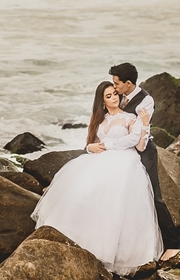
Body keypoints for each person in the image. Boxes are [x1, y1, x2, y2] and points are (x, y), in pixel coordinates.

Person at [30, 81, 163, 275]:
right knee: (82, 193)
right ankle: (77, 240)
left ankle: (109, 250)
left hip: (124, 160)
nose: (114, 98)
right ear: (102, 102)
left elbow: (139, 145)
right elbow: (92, 143)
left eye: (115, 94)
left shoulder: (130, 118)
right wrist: (89, 147)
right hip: (99, 159)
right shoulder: (99, 119)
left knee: (114, 200)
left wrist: (144, 122)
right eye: (108, 96)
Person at [109, 62, 180, 260]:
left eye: (116, 83)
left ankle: (174, 244)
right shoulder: (116, 96)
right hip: (122, 153)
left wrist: (111, 145)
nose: (114, 86)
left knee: (153, 196)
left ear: (128, 83)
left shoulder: (145, 101)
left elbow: (138, 135)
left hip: (143, 152)